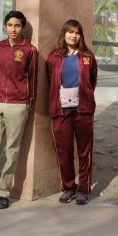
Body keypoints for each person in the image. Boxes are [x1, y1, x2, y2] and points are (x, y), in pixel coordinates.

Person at [0, 11, 38, 210]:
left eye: (17, 25)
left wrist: (29, 102)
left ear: (23, 28)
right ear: (5, 26)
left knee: (12, 150)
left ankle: (2, 192)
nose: (13, 29)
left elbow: (33, 79)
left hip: (18, 104)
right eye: (10, 25)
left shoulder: (30, 50)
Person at [47, 19, 98, 205]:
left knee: (84, 151)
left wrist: (85, 95)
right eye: (70, 32)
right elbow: (50, 79)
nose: (73, 35)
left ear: (80, 35)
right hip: (60, 110)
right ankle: (68, 187)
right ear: (64, 34)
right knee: (63, 150)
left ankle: (84, 189)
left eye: (77, 32)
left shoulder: (87, 56)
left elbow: (92, 79)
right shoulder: (54, 57)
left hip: (83, 109)